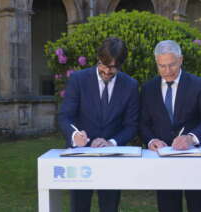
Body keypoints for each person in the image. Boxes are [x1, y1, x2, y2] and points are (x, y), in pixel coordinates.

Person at [58, 37, 139, 212]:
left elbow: (131, 125)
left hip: (112, 158)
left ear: (121, 64)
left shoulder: (130, 85)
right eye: (103, 64)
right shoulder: (78, 79)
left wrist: (112, 142)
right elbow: (65, 116)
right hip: (80, 156)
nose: (107, 71)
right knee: (79, 207)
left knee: (110, 207)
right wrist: (75, 136)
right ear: (98, 59)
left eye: (113, 67)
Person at [139, 40, 201, 212]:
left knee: (198, 206)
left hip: (196, 160)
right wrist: (151, 139)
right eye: (162, 66)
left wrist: (191, 138)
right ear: (156, 63)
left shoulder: (198, 85)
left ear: (181, 60)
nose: (167, 71)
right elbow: (143, 123)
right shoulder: (148, 88)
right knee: (168, 207)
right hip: (164, 161)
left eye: (172, 65)